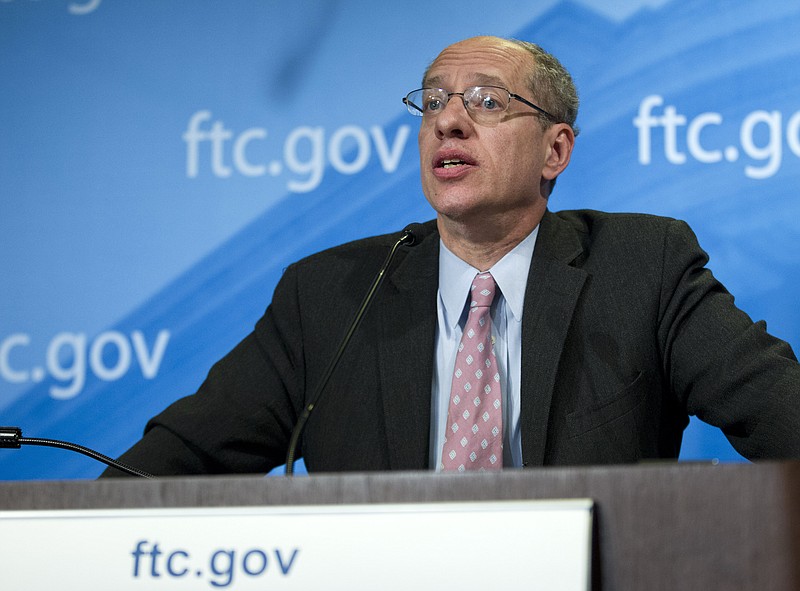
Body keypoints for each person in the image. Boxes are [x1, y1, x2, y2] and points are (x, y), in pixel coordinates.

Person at [104, 36, 800, 476]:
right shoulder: (330, 294)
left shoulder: (643, 266)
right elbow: (171, 464)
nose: (448, 119)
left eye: (487, 101)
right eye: (433, 101)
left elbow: (782, 412)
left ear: (555, 150)